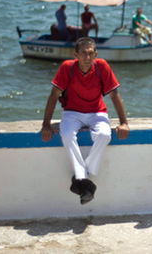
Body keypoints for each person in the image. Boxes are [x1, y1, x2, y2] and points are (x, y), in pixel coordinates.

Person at [40, 38, 130, 205]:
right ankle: (85, 181)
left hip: (97, 112)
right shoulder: (68, 67)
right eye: (83, 53)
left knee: (104, 134)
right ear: (76, 54)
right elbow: (53, 96)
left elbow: (114, 95)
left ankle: (81, 177)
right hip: (72, 112)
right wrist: (46, 124)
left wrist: (124, 122)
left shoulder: (101, 66)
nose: (87, 57)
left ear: (95, 54)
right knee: (66, 135)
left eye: (91, 54)